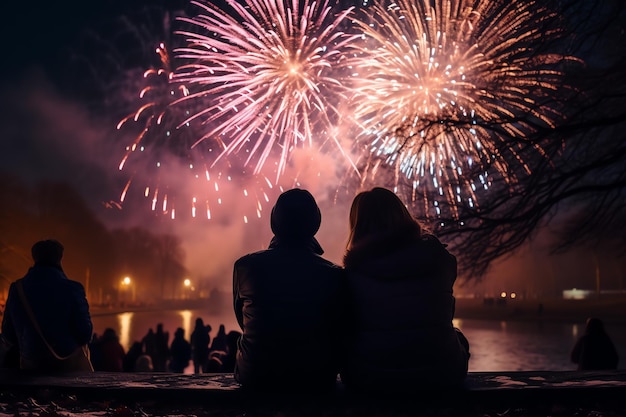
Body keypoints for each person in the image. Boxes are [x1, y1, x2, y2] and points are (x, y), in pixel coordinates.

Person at [340, 188, 469, 392]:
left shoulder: (351, 275)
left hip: (370, 377)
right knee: (456, 335)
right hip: (443, 374)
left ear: (358, 225)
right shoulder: (440, 261)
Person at [233, 188, 346, 392]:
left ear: (274, 222)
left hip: (255, 373)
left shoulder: (246, 267)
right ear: (315, 224)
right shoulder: (335, 275)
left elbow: (244, 321)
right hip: (317, 376)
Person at [1, 239, 93, 372]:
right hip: (67, 369)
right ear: (59, 258)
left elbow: (8, 334)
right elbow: (85, 333)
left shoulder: (17, 289)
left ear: (34, 257)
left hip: (31, 368)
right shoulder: (73, 288)